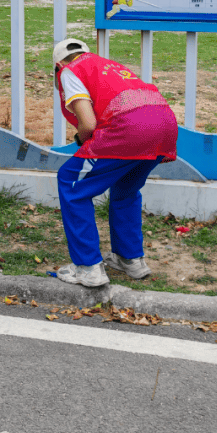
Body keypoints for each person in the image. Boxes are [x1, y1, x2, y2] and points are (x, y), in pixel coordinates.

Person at [51, 38, 178, 287]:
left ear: (58, 65)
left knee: (71, 182)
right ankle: (130, 259)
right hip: (164, 124)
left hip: (129, 128)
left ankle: (88, 268)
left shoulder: (69, 70)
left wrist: (81, 139)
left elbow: (88, 123)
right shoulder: (108, 65)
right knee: (125, 188)